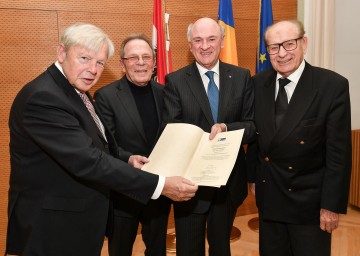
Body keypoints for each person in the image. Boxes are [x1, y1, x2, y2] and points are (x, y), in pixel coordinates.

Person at [6, 23, 198, 256]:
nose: (93, 69)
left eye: (99, 62)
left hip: (75, 220)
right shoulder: (44, 97)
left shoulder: (74, 91)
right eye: (85, 58)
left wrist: (126, 159)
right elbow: (89, 160)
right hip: (53, 226)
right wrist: (161, 185)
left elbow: (98, 144)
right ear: (61, 52)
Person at [247, 19, 352, 256]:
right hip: (270, 200)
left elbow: (339, 155)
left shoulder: (331, 86)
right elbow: (257, 136)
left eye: (289, 44)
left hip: (310, 206)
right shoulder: (257, 84)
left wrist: (331, 206)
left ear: (304, 43)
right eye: (274, 47)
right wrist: (252, 177)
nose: (281, 53)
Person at [162, 17, 255, 256]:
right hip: (190, 185)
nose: (205, 46)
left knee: (221, 247)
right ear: (190, 45)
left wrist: (226, 128)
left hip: (228, 183)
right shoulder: (175, 80)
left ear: (222, 41)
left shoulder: (242, 76)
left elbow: (252, 126)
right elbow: (171, 129)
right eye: (198, 40)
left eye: (211, 39)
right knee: (189, 249)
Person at [94, 34, 171, 256]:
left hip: (158, 188)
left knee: (157, 249)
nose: (140, 62)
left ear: (154, 62)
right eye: (133, 57)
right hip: (124, 191)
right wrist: (129, 158)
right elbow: (107, 144)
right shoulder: (106, 96)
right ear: (121, 63)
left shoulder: (164, 93)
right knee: (120, 249)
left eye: (146, 57)